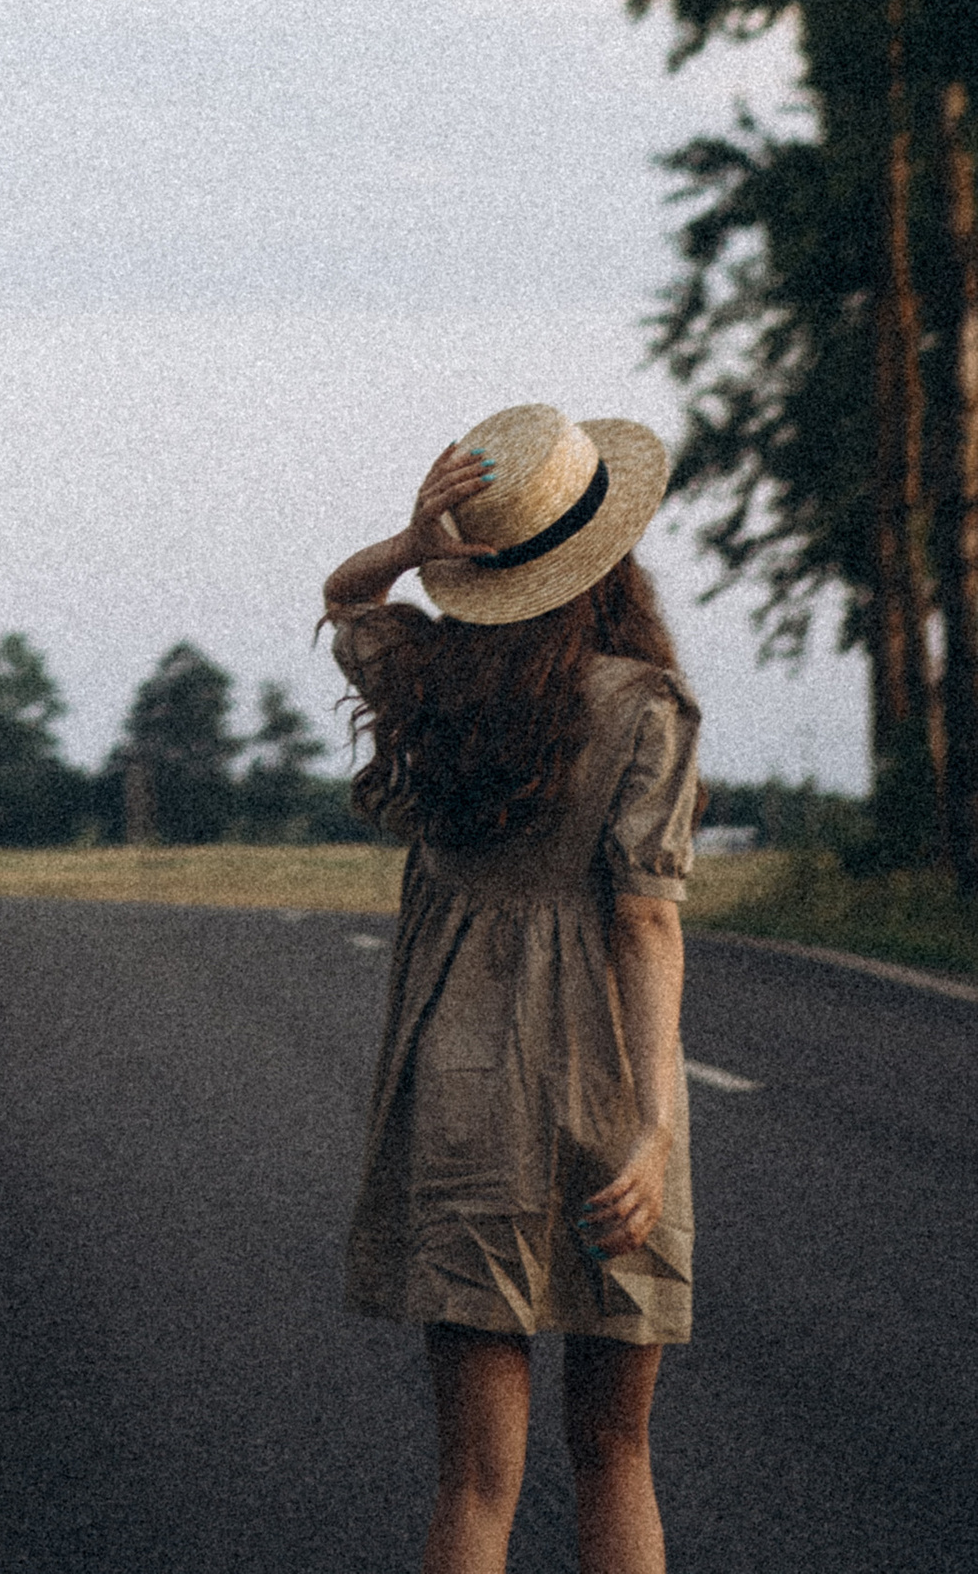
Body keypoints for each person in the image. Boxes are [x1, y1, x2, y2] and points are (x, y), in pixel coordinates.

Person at [324, 404, 701, 1574]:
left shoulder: (427, 684)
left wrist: (410, 547)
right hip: (604, 1081)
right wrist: (649, 1127)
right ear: (608, 552)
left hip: (462, 1088)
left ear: (481, 567)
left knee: (475, 1483)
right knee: (614, 1455)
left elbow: (346, 599)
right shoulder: (644, 707)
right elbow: (641, 920)